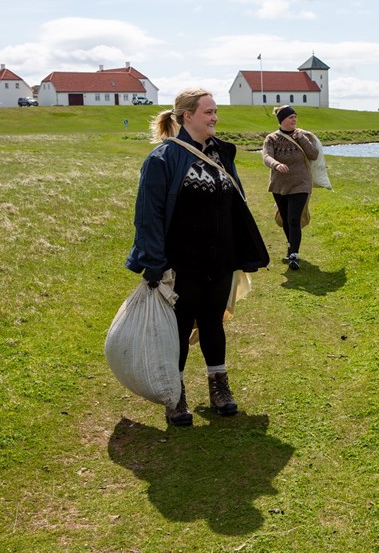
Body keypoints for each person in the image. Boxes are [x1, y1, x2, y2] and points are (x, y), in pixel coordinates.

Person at [125, 87, 268, 426]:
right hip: (181, 263)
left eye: (215, 111)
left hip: (220, 259)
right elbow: (149, 214)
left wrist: (243, 251)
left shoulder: (221, 155)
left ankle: (220, 388)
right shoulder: (163, 159)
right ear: (187, 116)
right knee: (176, 330)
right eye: (208, 112)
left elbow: (237, 204)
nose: (215, 117)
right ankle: (174, 395)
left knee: (213, 323)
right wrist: (154, 263)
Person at [261, 105, 320, 270]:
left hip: (301, 184)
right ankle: (290, 244)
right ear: (282, 120)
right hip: (279, 185)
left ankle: (294, 254)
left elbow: (313, 154)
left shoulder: (303, 135)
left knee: (294, 219)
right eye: (290, 117)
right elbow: (266, 156)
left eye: (295, 117)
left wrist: (301, 138)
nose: (294, 120)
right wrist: (276, 164)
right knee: (286, 218)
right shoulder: (271, 139)